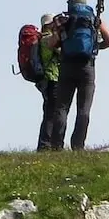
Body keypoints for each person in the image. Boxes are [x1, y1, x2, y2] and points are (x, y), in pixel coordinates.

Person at [46, 0, 109, 151]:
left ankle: (57, 146)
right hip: (87, 67)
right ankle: (78, 145)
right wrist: (95, 47)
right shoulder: (94, 19)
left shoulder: (64, 19)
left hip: (67, 66)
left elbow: (51, 44)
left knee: (62, 107)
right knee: (83, 109)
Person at [35, 13, 63, 152]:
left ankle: (45, 144)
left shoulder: (41, 39)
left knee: (49, 111)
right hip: (53, 78)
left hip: (46, 81)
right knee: (51, 113)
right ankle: (45, 144)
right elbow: (61, 53)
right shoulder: (47, 39)